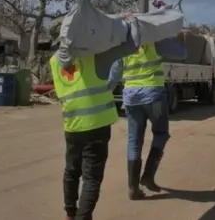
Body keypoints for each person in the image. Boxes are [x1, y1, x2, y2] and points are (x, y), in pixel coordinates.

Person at [50, 13, 138, 220]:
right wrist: (126, 22)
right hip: (96, 126)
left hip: (72, 125)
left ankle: (71, 214)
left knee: (71, 171)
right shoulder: (94, 57)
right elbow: (130, 45)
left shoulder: (53, 61)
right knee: (91, 179)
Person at [109, 39, 182, 199]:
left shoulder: (123, 47)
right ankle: (148, 175)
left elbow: (113, 77)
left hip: (131, 99)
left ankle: (133, 188)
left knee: (134, 141)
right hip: (154, 98)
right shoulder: (155, 43)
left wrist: (104, 97)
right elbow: (182, 53)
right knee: (161, 133)